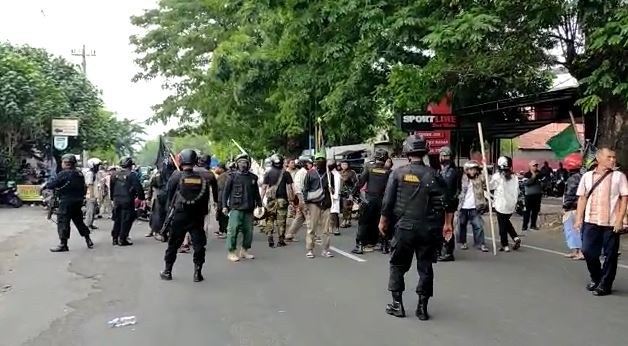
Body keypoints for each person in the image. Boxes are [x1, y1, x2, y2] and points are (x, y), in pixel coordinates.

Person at [379, 135, 454, 321]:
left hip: (404, 228)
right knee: (426, 267)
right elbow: (449, 202)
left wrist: (383, 221)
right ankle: (422, 308)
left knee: (397, 265)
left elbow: (388, 202)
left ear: (406, 152)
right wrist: (447, 224)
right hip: (428, 229)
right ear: (425, 151)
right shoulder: (434, 174)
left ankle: (397, 305)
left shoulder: (397, 173)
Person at [575, 147, 628, 296]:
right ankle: (596, 278)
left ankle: (605, 285)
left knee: (610, 255)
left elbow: (624, 199)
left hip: (611, 223)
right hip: (590, 221)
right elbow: (582, 198)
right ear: (599, 159)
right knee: (587, 251)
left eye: (614, 157)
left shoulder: (619, 176)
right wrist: (578, 219)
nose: (612, 160)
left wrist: (620, 220)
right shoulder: (587, 176)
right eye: (609, 157)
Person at [160, 149, 210, 282]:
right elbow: (206, 199)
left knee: (173, 245)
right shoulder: (203, 178)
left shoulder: (176, 176)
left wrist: (169, 213)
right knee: (199, 246)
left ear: (181, 160)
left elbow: (169, 196)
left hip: (179, 215)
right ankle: (197, 273)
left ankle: (167, 271)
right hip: (197, 217)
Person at [44, 154, 94, 252]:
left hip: (66, 201)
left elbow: (51, 185)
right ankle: (88, 239)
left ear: (66, 163)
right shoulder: (79, 174)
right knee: (79, 221)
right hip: (77, 201)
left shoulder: (63, 174)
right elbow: (84, 188)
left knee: (63, 222)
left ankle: (63, 244)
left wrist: (48, 184)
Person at [223, 154, 263, 262]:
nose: (243, 164)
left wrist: (260, 205)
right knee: (233, 230)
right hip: (236, 208)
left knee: (248, 231)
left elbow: (256, 193)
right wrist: (224, 206)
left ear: (248, 164)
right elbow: (225, 193)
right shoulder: (232, 176)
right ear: (237, 164)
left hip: (249, 208)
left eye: (245, 162)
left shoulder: (253, 177)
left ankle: (244, 251)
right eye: (241, 162)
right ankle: (231, 252)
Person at [351, 148, 391, 254]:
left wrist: (353, 193)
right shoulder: (388, 172)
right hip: (382, 200)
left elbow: (360, 182)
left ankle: (359, 245)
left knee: (363, 222)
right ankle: (384, 246)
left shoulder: (369, 167)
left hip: (369, 200)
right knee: (381, 222)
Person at [303, 152, 334, 259]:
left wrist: (331, 189)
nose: (320, 162)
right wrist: (306, 205)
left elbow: (333, 190)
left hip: (326, 204)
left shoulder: (330, 175)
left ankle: (325, 249)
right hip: (314, 204)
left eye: (322, 160)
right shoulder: (310, 173)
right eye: (318, 160)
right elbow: (305, 190)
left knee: (326, 229)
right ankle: (310, 249)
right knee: (312, 228)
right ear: (315, 162)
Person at [110, 156, 145, 246]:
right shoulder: (131, 175)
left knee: (117, 219)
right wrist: (141, 198)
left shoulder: (114, 174)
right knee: (126, 220)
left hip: (117, 199)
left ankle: (115, 238)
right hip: (127, 200)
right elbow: (138, 187)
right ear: (130, 165)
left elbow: (111, 188)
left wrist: (113, 198)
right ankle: (122, 238)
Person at [490, 156, 522, 252]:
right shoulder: (515, 177)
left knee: (502, 225)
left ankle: (505, 245)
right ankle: (515, 237)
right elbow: (518, 191)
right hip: (511, 205)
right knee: (506, 222)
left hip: (501, 205)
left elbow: (490, 186)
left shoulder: (497, 176)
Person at [261, 154, 294, 247]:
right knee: (281, 221)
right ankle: (280, 240)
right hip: (282, 200)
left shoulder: (268, 173)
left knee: (270, 219)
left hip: (271, 200)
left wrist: (260, 200)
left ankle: (270, 236)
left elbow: (264, 188)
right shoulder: (286, 173)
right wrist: (291, 199)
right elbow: (289, 187)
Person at [458, 160, 489, 252]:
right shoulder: (462, 178)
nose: (472, 172)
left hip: (475, 206)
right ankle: (463, 242)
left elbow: (486, 181)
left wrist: (484, 167)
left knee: (478, 225)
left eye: (474, 169)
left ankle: (480, 243)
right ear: (466, 170)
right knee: (462, 225)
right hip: (463, 206)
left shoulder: (479, 178)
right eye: (470, 170)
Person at [436, 146, 460, 262]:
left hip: (448, 204)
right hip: (444, 203)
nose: (443, 157)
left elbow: (447, 189)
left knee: (447, 227)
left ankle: (448, 252)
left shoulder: (450, 172)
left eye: (445, 155)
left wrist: (446, 203)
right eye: (441, 155)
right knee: (443, 227)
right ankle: (442, 249)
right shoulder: (443, 170)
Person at [562, 153, 584, 260]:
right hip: (577, 206)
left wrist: (565, 206)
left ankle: (579, 251)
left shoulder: (573, 179)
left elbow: (570, 194)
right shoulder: (581, 176)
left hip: (572, 207)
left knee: (573, 229)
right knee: (575, 229)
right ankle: (575, 251)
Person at [286, 156, 311, 242]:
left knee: (299, 218)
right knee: (309, 217)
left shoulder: (300, 172)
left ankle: (290, 234)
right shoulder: (303, 173)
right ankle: (313, 235)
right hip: (303, 198)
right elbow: (301, 187)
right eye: (308, 163)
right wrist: (301, 200)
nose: (310, 165)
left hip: (300, 197)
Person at [522, 160, 543, 231]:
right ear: (530, 167)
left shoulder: (539, 174)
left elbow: (543, 181)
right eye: (534, 166)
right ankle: (524, 226)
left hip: (537, 195)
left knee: (535, 211)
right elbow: (526, 183)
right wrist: (533, 177)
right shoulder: (527, 174)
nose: (535, 167)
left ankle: (533, 225)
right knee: (527, 211)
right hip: (529, 196)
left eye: (536, 165)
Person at [83, 158, 102, 230]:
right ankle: (87, 225)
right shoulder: (90, 173)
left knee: (93, 211)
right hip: (90, 196)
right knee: (90, 211)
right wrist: (92, 196)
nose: (98, 167)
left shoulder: (94, 174)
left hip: (94, 195)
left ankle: (90, 224)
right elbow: (90, 185)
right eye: (97, 165)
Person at [339, 160, 358, 228]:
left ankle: (345, 220)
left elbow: (355, 182)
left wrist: (353, 193)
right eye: (342, 164)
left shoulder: (352, 172)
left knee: (347, 206)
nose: (344, 165)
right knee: (345, 207)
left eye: (345, 164)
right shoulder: (340, 172)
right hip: (342, 192)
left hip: (349, 192)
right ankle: (347, 220)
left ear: (348, 165)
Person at [214, 163, 229, 239]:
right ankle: (222, 230)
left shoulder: (222, 177)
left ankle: (224, 231)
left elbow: (220, 190)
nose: (216, 169)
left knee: (222, 215)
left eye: (217, 167)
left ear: (222, 169)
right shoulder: (224, 176)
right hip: (223, 199)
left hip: (222, 199)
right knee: (221, 215)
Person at [328, 160, 342, 236]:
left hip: (334, 196)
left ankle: (336, 228)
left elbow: (337, 186)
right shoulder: (329, 174)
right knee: (330, 212)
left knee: (335, 212)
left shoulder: (336, 174)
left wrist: (335, 195)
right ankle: (330, 227)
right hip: (329, 195)